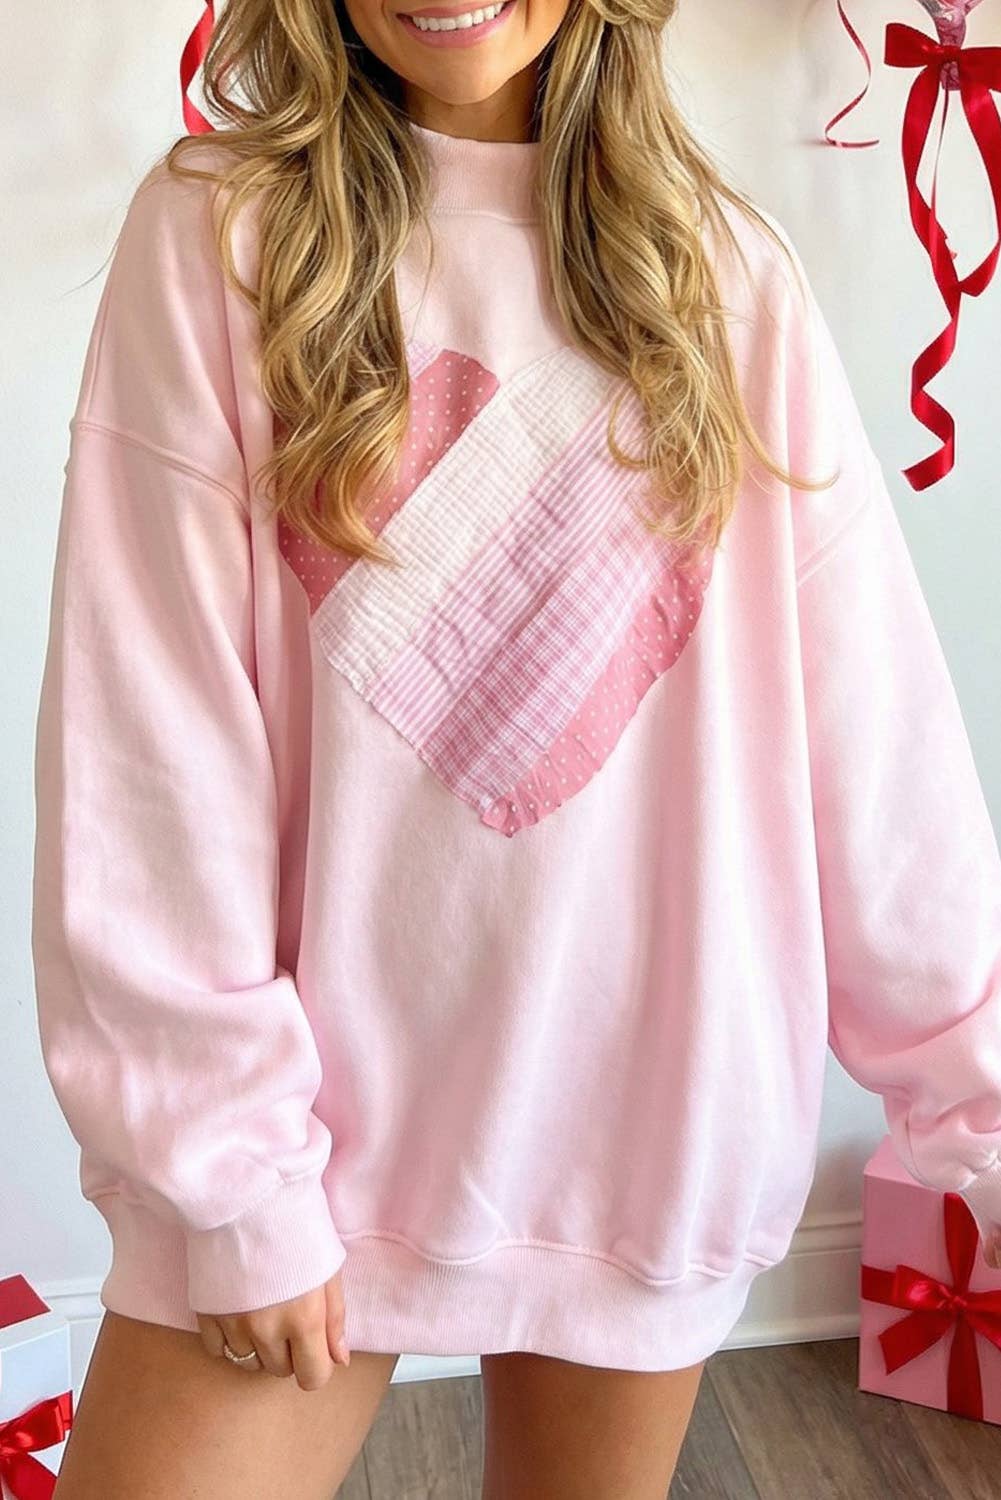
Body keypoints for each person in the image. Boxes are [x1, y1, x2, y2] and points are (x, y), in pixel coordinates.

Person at [30, 0, 1001, 1495]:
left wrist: (974, 1107)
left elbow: (877, 742)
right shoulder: (219, 238)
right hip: (309, 1143)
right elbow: (148, 748)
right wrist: (232, 1180)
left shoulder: (723, 278)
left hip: (644, 1135)